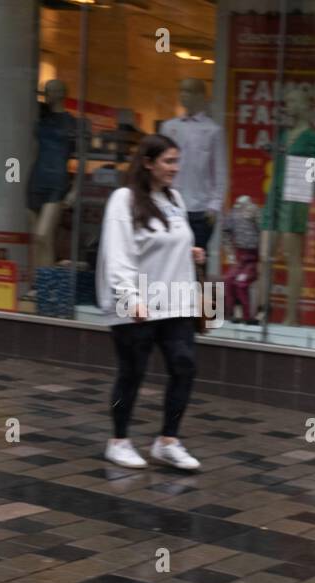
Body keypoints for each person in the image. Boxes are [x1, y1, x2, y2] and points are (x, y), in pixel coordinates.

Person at [96, 134, 204, 471]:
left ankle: (167, 441)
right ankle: (119, 441)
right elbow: (118, 252)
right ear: (148, 162)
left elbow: (163, 242)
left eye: (177, 161)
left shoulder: (174, 198)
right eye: (168, 161)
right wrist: (130, 297)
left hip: (175, 301)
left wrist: (189, 252)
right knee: (132, 373)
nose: (175, 168)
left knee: (184, 366)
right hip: (136, 300)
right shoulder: (123, 199)